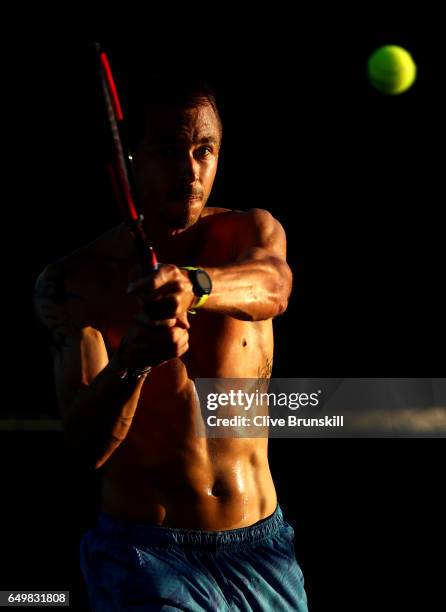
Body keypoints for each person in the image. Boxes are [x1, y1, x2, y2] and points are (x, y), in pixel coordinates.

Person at [34, 71, 308, 611]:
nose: (189, 171)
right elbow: (86, 448)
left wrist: (195, 286)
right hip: (147, 560)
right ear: (130, 157)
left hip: (263, 551)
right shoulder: (76, 283)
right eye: (167, 150)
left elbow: (274, 287)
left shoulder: (250, 233)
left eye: (204, 150)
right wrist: (133, 362)